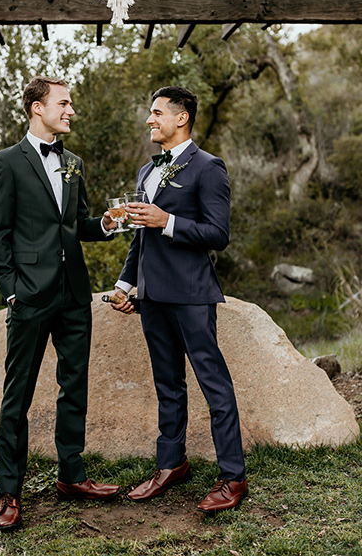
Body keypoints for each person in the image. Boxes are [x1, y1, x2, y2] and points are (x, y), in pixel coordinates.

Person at [0, 76, 120, 531]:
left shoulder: (74, 163)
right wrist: (11, 290)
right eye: (64, 103)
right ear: (37, 108)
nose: (71, 110)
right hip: (30, 295)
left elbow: (76, 225)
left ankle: (72, 477)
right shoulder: (7, 163)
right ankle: (9, 491)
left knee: (74, 385)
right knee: (16, 395)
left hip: (74, 294)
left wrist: (108, 222)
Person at [111, 85, 247, 514]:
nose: (150, 120)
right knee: (167, 385)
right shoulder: (145, 173)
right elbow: (140, 238)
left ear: (181, 117)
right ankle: (171, 465)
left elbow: (218, 234)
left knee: (214, 385)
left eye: (156, 113)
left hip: (191, 295)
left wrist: (168, 220)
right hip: (151, 297)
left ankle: (232, 477)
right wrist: (126, 285)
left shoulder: (209, 167)